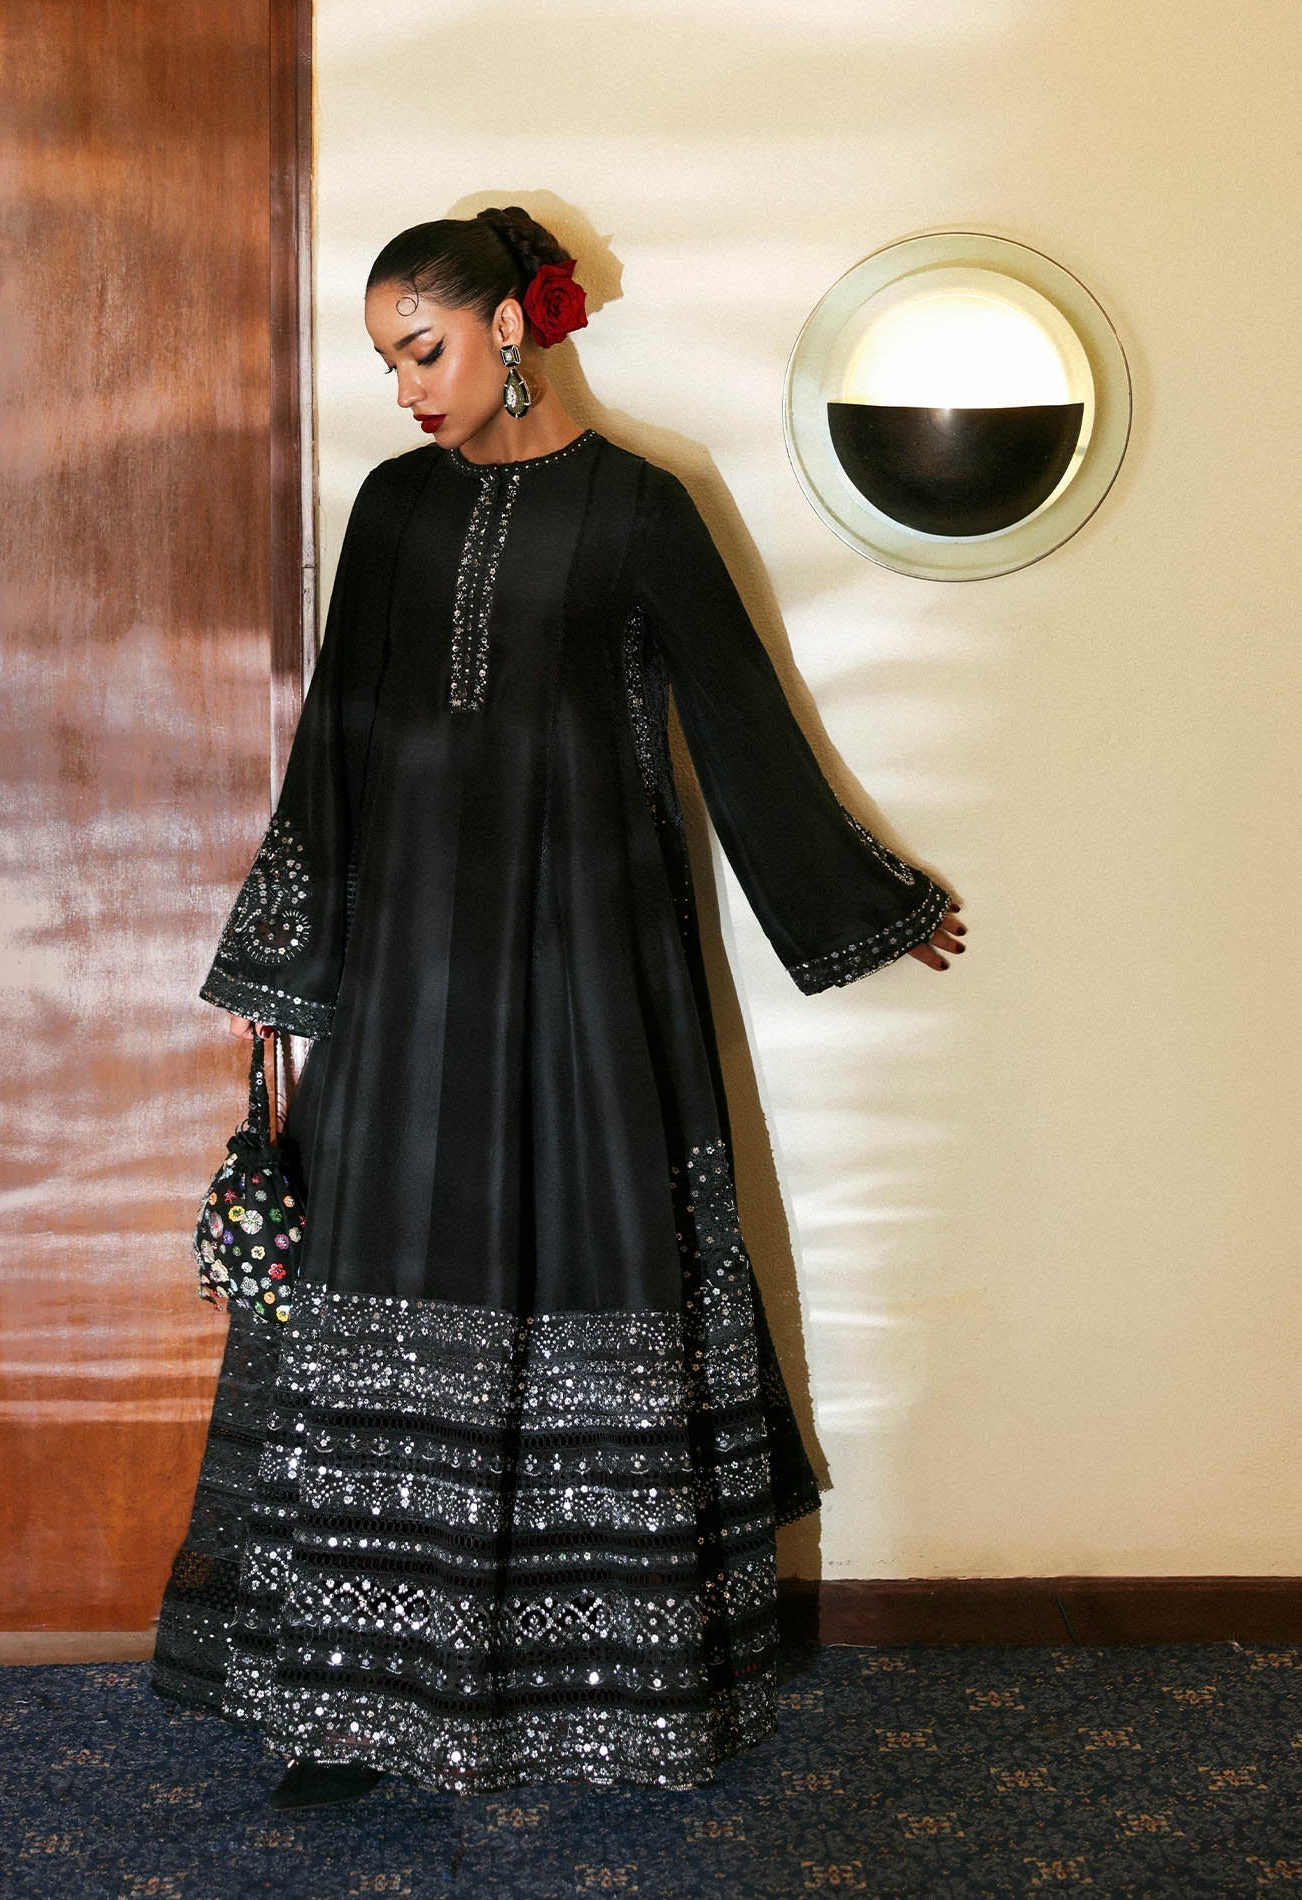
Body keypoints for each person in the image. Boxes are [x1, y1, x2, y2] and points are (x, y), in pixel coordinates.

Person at [151, 205, 966, 1808]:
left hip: (594, 966)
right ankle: (350, 1707)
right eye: (388, 363)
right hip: (409, 971)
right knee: (385, 1276)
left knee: (593, 1256)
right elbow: (338, 740)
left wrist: (871, 899)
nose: (406, 390)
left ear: (513, 326)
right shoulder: (394, 510)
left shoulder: (643, 509)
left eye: (424, 351)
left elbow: (740, 721)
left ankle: (617, 1694)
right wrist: (285, 969)